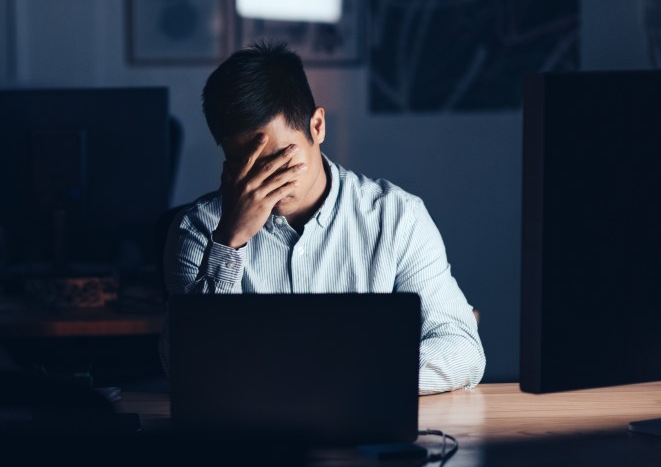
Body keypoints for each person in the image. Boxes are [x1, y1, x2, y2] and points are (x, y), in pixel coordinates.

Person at [163, 41, 485, 394]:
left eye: (280, 160)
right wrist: (229, 242)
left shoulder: (396, 216)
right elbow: (190, 368)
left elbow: (462, 350)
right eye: (245, 165)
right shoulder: (197, 229)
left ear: (317, 126)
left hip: (368, 429)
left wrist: (342, 378)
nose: (263, 181)